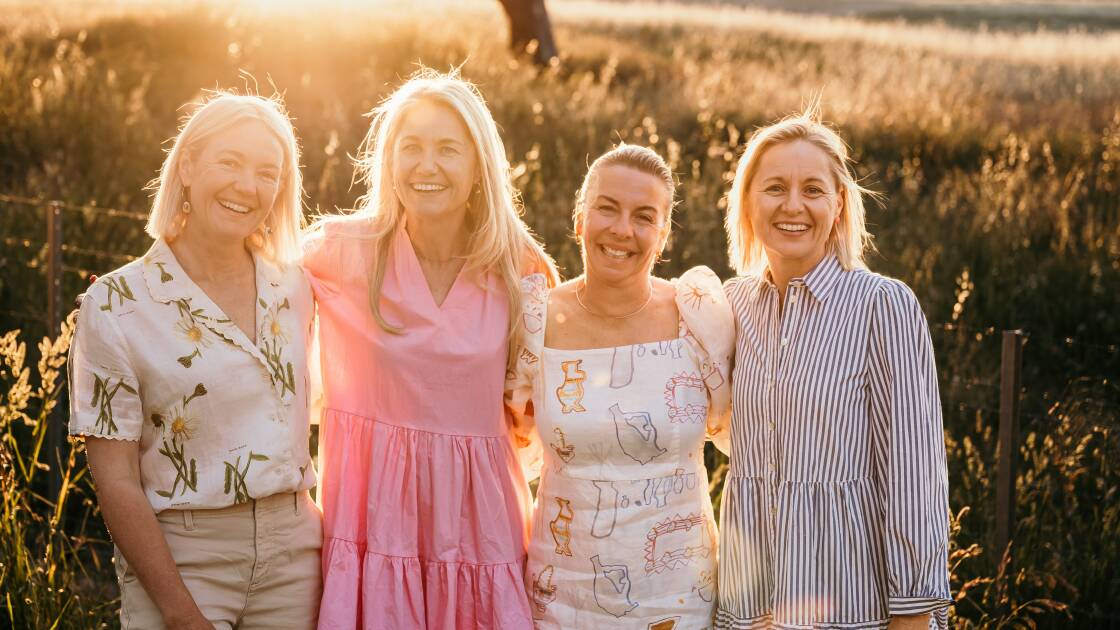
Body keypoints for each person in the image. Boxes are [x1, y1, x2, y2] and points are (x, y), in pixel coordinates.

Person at [302, 68, 558, 629]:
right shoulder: (339, 254)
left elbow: (542, 412)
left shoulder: (519, 269)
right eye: (410, 147)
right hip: (370, 527)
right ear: (389, 161)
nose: (427, 166)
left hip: (481, 533)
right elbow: (251, 297)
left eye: (448, 149)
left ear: (478, 167)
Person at [68, 92, 321, 629]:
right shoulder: (116, 304)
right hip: (183, 557)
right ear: (187, 165)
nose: (246, 186)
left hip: (297, 557)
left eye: (266, 172)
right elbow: (115, 479)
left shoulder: (297, 286)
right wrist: (181, 614)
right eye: (228, 162)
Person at [714, 109, 950, 629]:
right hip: (750, 600)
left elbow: (913, 470)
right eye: (774, 187)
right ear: (748, 203)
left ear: (838, 205)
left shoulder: (882, 305)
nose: (793, 205)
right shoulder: (728, 307)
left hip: (848, 602)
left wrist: (912, 611)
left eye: (813, 190)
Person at [505, 144, 735, 628]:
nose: (622, 230)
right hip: (561, 596)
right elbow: (511, 448)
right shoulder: (534, 319)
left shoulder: (697, 314)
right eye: (606, 208)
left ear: (664, 233)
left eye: (644, 216)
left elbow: (737, 434)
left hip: (677, 597)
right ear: (579, 219)